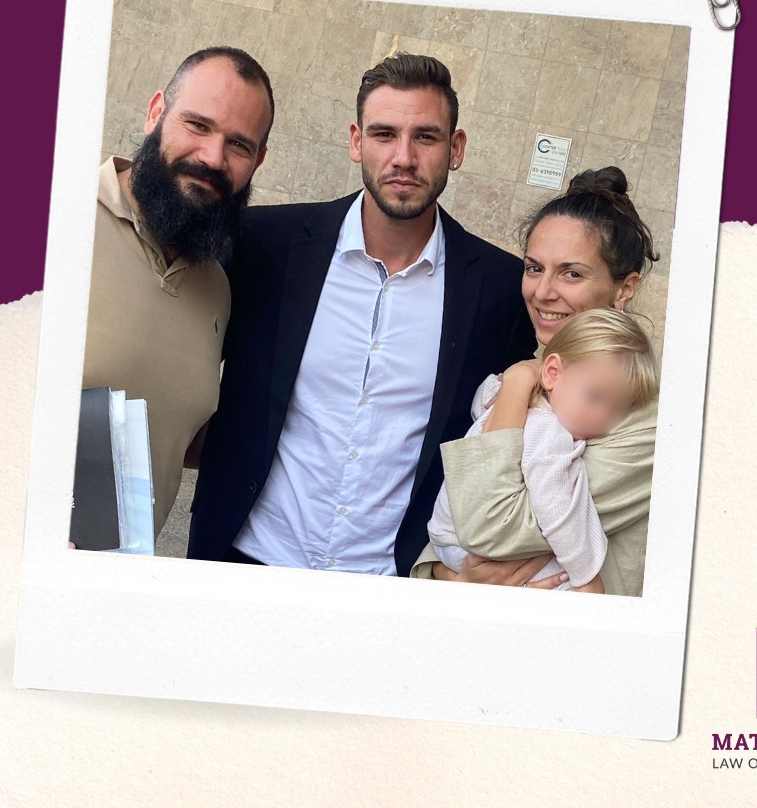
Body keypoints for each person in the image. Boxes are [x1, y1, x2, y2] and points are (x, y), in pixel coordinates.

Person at [187, 53, 535, 575]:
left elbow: (505, 441)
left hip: (389, 581)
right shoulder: (264, 244)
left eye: (426, 137)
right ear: (356, 141)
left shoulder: (500, 289)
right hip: (245, 561)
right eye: (384, 134)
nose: (403, 157)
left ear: (456, 149)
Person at [411, 166, 660, 596]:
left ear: (625, 289)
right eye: (533, 268)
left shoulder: (646, 420)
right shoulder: (530, 372)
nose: (542, 292)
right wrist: (448, 576)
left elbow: (489, 526)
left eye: (572, 273)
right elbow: (450, 518)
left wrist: (517, 383)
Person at [79, 45, 274, 539]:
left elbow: (173, 434)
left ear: (258, 161)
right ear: (156, 113)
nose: (212, 157)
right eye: (198, 125)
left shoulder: (217, 290)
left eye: (238, 145)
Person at [427, 307, 658, 592]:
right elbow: (557, 508)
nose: (602, 417)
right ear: (551, 373)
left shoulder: (513, 400)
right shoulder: (551, 432)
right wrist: (586, 576)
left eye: (618, 410)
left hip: (444, 539)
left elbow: (481, 403)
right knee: (566, 581)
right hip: (467, 548)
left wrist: (516, 380)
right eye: (595, 397)